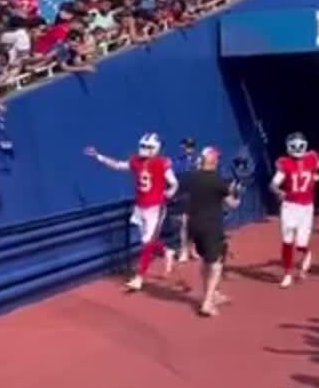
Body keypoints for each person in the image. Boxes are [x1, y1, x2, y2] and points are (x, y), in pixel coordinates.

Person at [85, 133, 179, 292]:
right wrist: (98, 156)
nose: (143, 149)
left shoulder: (162, 163)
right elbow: (118, 165)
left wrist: (171, 191)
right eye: (142, 146)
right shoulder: (136, 161)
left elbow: (174, 182)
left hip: (155, 207)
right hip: (140, 206)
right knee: (146, 241)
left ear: (155, 148)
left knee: (147, 244)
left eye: (147, 147)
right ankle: (167, 251)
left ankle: (139, 277)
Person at [182, 146, 241, 317]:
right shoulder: (217, 181)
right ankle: (207, 302)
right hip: (211, 227)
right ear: (214, 160)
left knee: (207, 260)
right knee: (215, 265)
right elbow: (232, 204)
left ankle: (212, 293)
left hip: (194, 226)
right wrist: (238, 194)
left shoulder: (192, 178)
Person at [270, 132, 319, 288]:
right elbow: (274, 183)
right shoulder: (285, 163)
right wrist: (278, 191)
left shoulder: (312, 158)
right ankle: (287, 273)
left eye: (300, 145)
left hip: (306, 207)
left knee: (301, 243)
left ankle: (306, 253)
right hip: (289, 206)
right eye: (294, 146)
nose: (297, 148)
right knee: (287, 241)